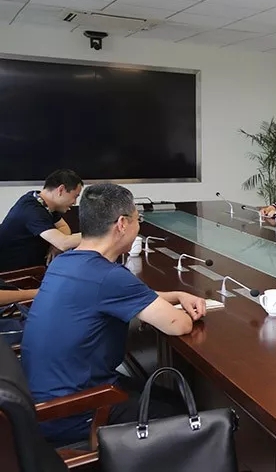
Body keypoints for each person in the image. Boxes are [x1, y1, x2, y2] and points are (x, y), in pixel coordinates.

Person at [21, 182, 207, 445]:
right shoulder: (108, 276)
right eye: (137, 219)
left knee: (170, 397)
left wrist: (177, 295)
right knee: (181, 413)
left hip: (47, 393)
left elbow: (120, 295)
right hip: (71, 410)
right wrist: (184, 310)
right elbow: (179, 325)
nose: (138, 225)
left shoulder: (66, 261)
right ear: (122, 224)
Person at [0, 169, 83, 273]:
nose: (74, 202)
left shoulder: (42, 202)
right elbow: (63, 243)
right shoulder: (32, 210)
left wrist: (55, 244)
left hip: (34, 268)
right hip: (14, 275)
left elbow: (63, 227)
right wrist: (97, 235)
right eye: (75, 196)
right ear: (61, 190)